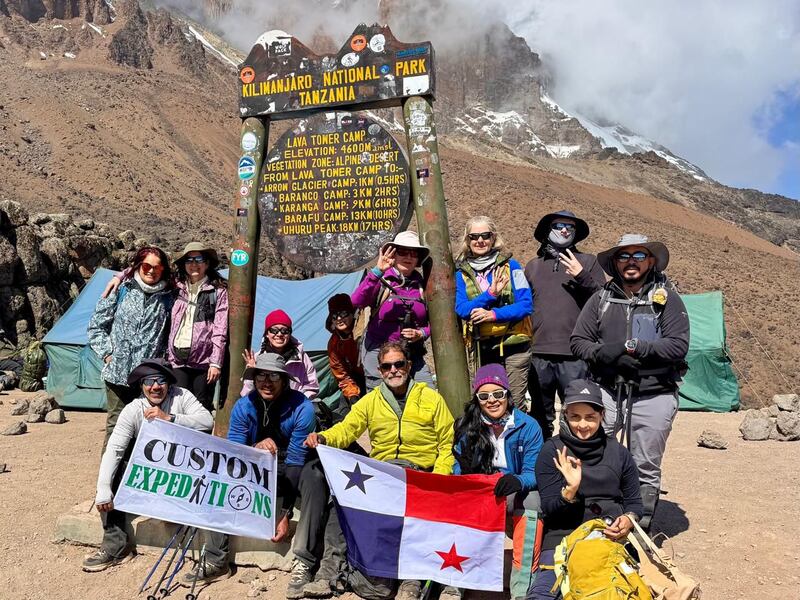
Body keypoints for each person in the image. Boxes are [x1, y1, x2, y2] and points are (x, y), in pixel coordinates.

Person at [305, 341, 455, 600]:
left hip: (421, 472)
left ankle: (412, 579)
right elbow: (348, 428)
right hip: (384, 474)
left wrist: (438, 478)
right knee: (341, 501)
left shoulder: (431, 397)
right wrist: (325, 438)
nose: (394, 370)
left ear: (408, 366)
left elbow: (447, 442)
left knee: (417, 516)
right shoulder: (371, 400)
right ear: (380, 370)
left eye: (399, 364)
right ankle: (329, 573)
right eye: (387, 366)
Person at [570, 233, 689, 529]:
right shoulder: (600, 298)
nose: (631, 262)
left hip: (654, 391)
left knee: (644, 463)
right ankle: (594, 520)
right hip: (607, 391)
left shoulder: (667, 299)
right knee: (595, 453)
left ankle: (638, 527)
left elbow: (678, 345)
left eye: (639, 256)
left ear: (650, 261)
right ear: (615, 263)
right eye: (624, 256)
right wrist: (607, 355)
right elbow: (579, 341)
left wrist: (637, 348)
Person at [185, 353, 328, 598]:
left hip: (294, 463)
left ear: (284, 380)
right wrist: (255, 450)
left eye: (274, 376)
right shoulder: (244, 406)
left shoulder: (302, 407)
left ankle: (304, 562)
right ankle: (217, 558)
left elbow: (295, 460)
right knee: (221, 475)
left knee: (316, 477)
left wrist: (283, 514)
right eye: (261, 375)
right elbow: (235, 454)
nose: (267, 381)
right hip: (257, 463)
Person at [83, 359, 213, 572]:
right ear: (142, 385)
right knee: (116, 471)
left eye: (161, 381)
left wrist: (170, 418)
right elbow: (114, 449)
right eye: (149, 381)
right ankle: (116, 546)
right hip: (150, 478)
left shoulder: (182, 396)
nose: (155, 387)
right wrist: (103, 488)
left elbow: (207, 422)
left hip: (182, 475)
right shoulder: (132, 410)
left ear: (169, 384)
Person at [528, 379, 643, 599]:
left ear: (601, 415)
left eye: (590, 417)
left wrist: (628, 519)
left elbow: (634, 503)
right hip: (563, 539)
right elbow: (550, 509)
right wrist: (570, 490)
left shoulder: (619, 453)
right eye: (575, 417)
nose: (582, 425)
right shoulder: (552, 451)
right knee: (542, 595)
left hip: (609, 538)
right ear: (565, 417)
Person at [100, 242, 229, 413]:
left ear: (207, 263)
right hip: (175, 360)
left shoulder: (218, 291)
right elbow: (145, 268)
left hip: (203, 362)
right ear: (183, 264)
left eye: (199, 259)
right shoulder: (175, 285)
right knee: (174, 407)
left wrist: (216, 362)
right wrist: (119, 276)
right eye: (189, 260)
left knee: (200, 410)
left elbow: (220, 329)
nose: (194, 263)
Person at [524, 210, 605, 438]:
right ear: (547, 231)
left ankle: (574, 462)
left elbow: (604, 300)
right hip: (538, 352)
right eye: (559, 225)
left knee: (577, 413)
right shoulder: (533, 266)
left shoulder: (589, 262)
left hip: (576, 355)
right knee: (539, 415)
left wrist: (582, 276)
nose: (564, 230)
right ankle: (543, 465)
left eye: (570, 227)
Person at [88, 246, 173, 450]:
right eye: (146, 266)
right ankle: (111, 478)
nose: (151, 271)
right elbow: (96, 326)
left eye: (157, 267)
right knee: (115, 426)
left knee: (147, 427)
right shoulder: (121, 289)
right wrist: (108, 354)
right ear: (138, 266)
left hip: (148, 378)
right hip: (118, 374)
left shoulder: (169, 296)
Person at [454, 216, 533, 410]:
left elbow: (526, 304)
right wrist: (490, 294)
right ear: (467, 240)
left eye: (485, 235)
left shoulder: (511, 267)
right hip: (482, 347)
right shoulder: (461, 273)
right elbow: (461, 308)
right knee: (489, 403)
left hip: (514, 345)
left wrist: (493, 315)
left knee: (514, 402)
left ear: (493, 238)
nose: (479, 241)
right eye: (474, 236)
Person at [351, 231, 434, 390]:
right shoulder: (381, 279)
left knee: (427, 393)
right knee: (380, 402)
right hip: (378, 352)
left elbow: (434, 323)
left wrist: (421, 333)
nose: (408, 257)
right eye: (402, 251)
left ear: (418, 259)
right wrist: (377, 272)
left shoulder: (423, 286)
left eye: (413, 253)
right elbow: (356, 301)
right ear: (394, 254)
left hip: (411, 354)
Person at [241, 309, 319, 399]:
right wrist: (252, 374)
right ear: (266, 334)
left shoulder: (301, 357)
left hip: (295, 407)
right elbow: (246, 395)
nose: (279, 334)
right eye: (274, 330)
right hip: (265, 408)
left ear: (290, 334)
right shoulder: (257, 358)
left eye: (284, 330)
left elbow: (312, 386)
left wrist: (299, 403)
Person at [326, 293, 365, 418]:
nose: (338, 319)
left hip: (376, 377)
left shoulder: (365, 330)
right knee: (344, 414)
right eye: (334, 316)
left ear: (351, 313)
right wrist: (353, 395)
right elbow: (341, 374)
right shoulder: (334, 343)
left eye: (343, 314)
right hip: (355, 380)